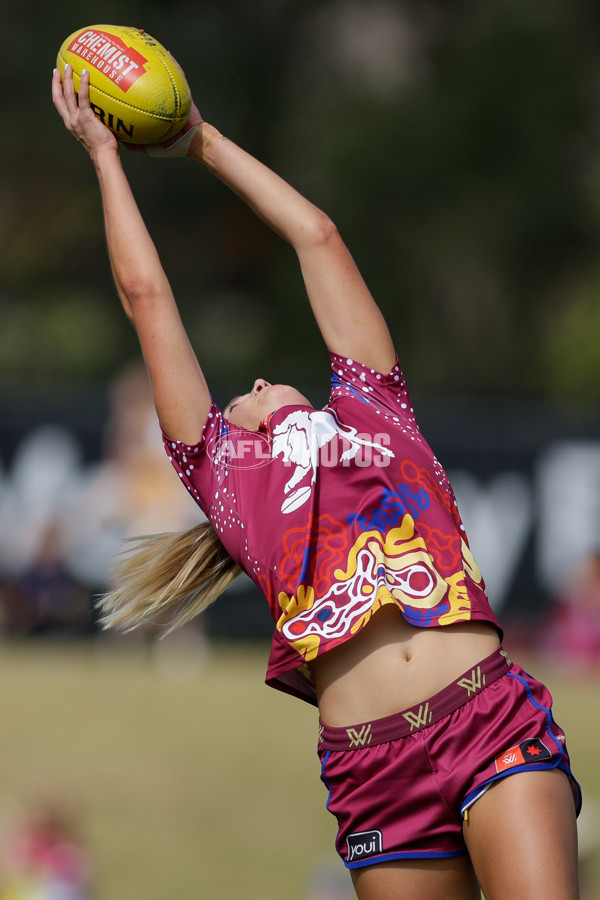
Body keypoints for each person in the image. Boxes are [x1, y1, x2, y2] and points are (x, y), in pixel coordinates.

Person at [52, 63, 582, 900]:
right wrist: (103, 159)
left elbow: (318, 236)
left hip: (487, 720)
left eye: (267, 383)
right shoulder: (229, 480)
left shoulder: (375, 410)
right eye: (244, 397)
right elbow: (146, 295)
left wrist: (201, 143)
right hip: (374, 772)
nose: (259, 386)